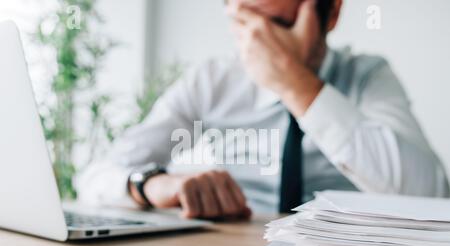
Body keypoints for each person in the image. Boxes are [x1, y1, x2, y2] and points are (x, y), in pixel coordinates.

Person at [78, 0, 449, 220]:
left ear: (332, 12)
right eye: (247, 23)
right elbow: (95, 176)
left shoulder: (367, 76)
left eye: (279, 24)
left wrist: (295, 84)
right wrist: (153, 184)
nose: (260, 43)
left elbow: (429, 196)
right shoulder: (212, 81)